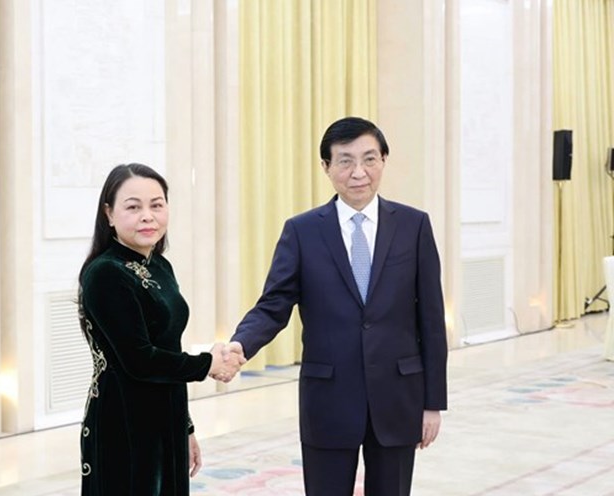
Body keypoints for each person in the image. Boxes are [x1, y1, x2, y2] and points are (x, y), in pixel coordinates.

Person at [226, 117, 448, 495]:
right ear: (326, 168)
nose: (358, 172)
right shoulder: (302, 231)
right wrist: (240, 345)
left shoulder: (414, 226)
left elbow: (431, 320)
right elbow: (273, 304)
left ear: (384, 161)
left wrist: (432, 403)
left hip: (397, 397)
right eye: (344, 161)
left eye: (369, 159)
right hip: (328, 399)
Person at [77, 163, 243, 496]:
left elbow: (168, 348)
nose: (147, 216)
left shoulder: (159, 265)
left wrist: (185, 426)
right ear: (109, 214)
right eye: (133, 207)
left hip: (165, 415)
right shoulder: (105, 274)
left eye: (157, 205)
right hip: (122, 420)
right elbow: (140, 360)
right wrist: (207, 364)